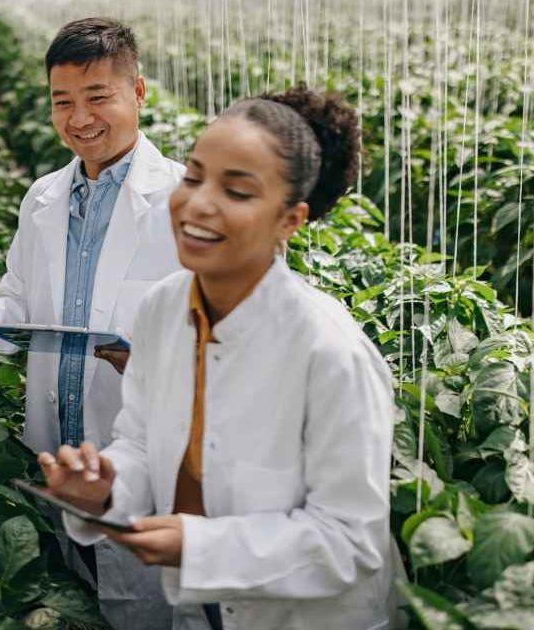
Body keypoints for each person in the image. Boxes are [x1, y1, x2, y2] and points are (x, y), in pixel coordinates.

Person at [37, 86, 399, 629]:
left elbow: (350, 542)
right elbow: (141, 437)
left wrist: (202, 546)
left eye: (237, 190)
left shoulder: (329, 352)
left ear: (290, 221)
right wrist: (107, 487)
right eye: (194, 176)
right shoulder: (163, 308)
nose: (200, 203)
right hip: (203, 608)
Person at [0, 17, 182, 630]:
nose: (79, 118)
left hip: (140, 461)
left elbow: (219, 340)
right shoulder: (43, 198)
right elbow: (21, 305)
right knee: (76, 596)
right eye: (62, 102)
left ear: (139, 93)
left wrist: (150, 358)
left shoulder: (182, 200)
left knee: (150, 607)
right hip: (58, 450)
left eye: (99, 97)